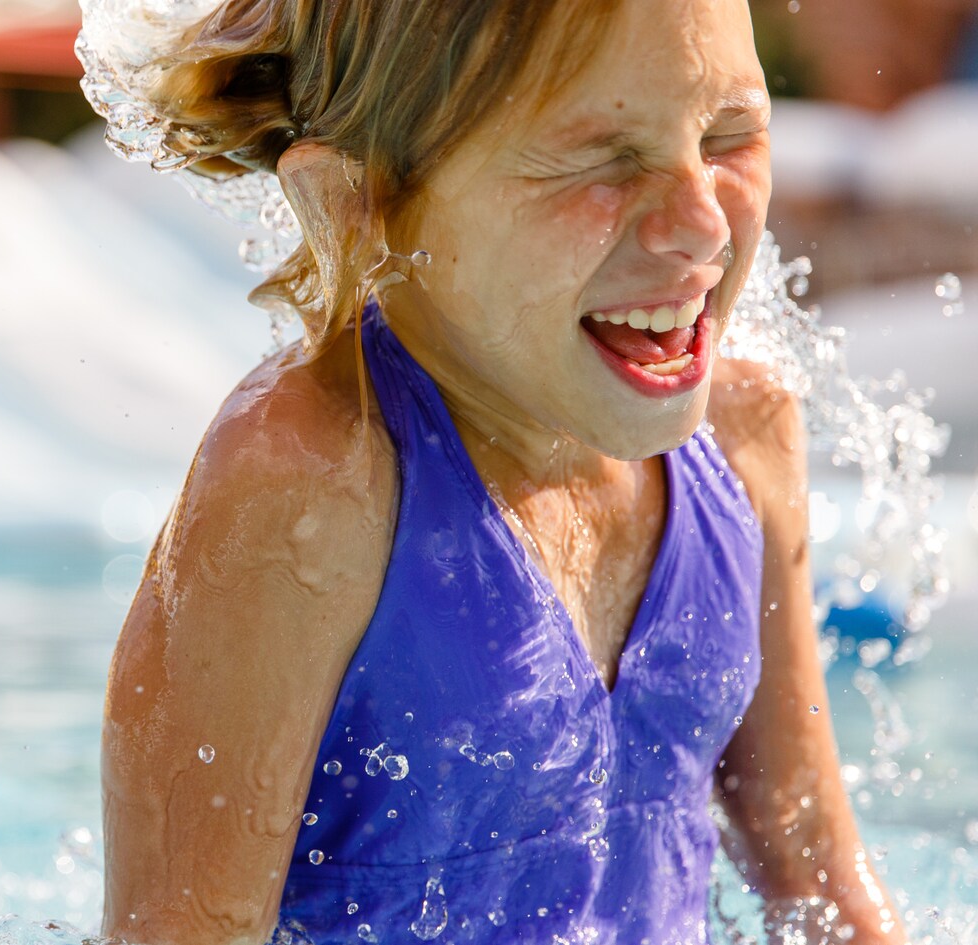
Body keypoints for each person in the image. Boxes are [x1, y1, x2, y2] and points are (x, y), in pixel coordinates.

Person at [96, 0, 905, 943]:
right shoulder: (313, 484)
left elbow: (820, 884)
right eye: (602, 159)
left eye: (728, 135)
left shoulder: (745, 436)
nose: (699, 225)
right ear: (356, 202)